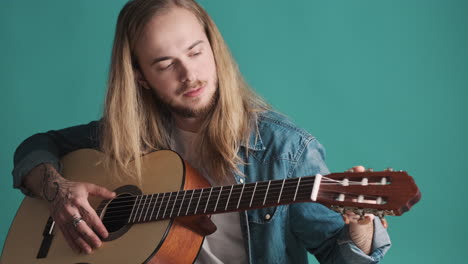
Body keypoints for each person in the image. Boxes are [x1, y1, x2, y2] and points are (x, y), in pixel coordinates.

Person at [11, 0, 391, 263]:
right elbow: (37, 146)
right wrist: (57, 191)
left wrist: (361, 228)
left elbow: (337, 253)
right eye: (164, 64)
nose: (190, 75)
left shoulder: (285, 150)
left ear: (213, 47)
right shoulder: (131, 137)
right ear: (140, 77)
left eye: (195, 52)